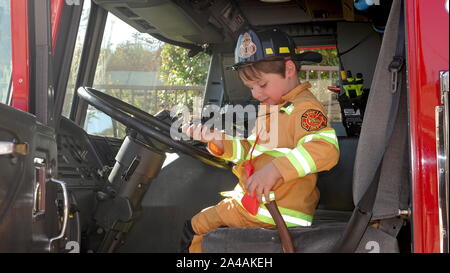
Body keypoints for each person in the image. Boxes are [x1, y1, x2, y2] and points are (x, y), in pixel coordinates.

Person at [180, 28, 340, 253]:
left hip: (276, 212)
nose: (256, 94)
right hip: (258, 205)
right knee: (197, 224)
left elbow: (325, 150)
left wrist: (275, 169)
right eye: (251, 87)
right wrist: (218, 140)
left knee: (194, 228)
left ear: (289, 69)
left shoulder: (305, 108)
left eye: (262, 85)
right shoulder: (272, 107)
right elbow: (249, 152)